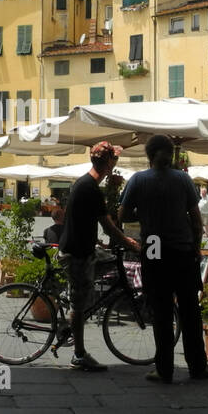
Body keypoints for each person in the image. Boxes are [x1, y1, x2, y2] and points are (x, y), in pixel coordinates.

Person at [120, 133, 208, 383]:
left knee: (160, 310)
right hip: (182, 249)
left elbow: (123, 215)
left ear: (148, 155)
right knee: (190, 309)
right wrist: (196, 246)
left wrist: (146, 215)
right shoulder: (183, 179)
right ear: (170, 155)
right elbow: (195, 217)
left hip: (153, 247)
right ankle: (198, 367)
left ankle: (164, 369)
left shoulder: (138, 180)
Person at [57, 141, 139, 372]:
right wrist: (129, 242)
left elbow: (95, 218)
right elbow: (108, 225)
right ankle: (79, 354)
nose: (117, 164)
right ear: (109, 162)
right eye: (115, 160)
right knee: (80, 303)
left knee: (104, 264)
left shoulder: (87, 183)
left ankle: (75, 314)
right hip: (77, 253)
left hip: (83, 247)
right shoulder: (90, 188)